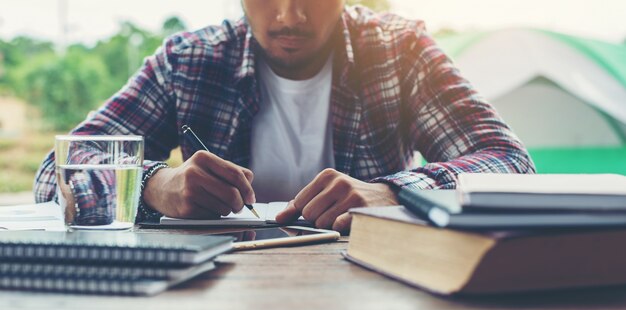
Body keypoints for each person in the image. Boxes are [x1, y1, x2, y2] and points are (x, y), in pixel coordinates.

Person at [34, 0, 535, 233]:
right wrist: (153, 186)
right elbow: (58, 170)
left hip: (379, 295)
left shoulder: (399, 51)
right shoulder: (187, 62)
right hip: (217, 301)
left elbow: (511, 163)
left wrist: (393, 192)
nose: (288, 15)